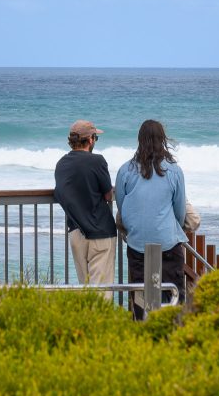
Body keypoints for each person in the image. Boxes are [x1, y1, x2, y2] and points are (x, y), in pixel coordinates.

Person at [115, 120, 187, 316]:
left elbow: (122, 206)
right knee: (173, 294)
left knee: (141, 295)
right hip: (168, 243)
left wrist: (134, 227)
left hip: (137, 243)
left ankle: (143, 331)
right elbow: (180, 211)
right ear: (162, 140)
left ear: (140, 141)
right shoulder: (174, 170)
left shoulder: (125, 170)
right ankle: (173, 333)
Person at [54, 120, 117, 287]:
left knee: (87, 289)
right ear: (90, 140)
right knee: (102, 291)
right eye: (95, 137)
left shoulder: (61, 164)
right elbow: (108, 195)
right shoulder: (97, 161)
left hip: (76, 232)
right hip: (101, 232)